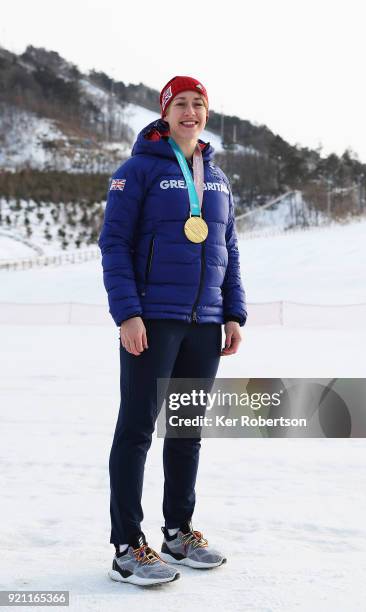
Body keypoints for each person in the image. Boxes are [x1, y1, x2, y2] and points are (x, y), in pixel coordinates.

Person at [98, 75, 247, 586]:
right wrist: (128, 314)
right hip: (152, 320)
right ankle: (126, 546)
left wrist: (233, 313)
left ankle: (178, 533)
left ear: (207, 113)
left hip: (204, 324)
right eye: (180, 103)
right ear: (165, 113)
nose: (190, 111)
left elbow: (228, 250)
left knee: (186, 433)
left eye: (198, 104)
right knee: (137, 430)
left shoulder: (218, 177)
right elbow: (114, 245)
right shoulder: (135, 170)